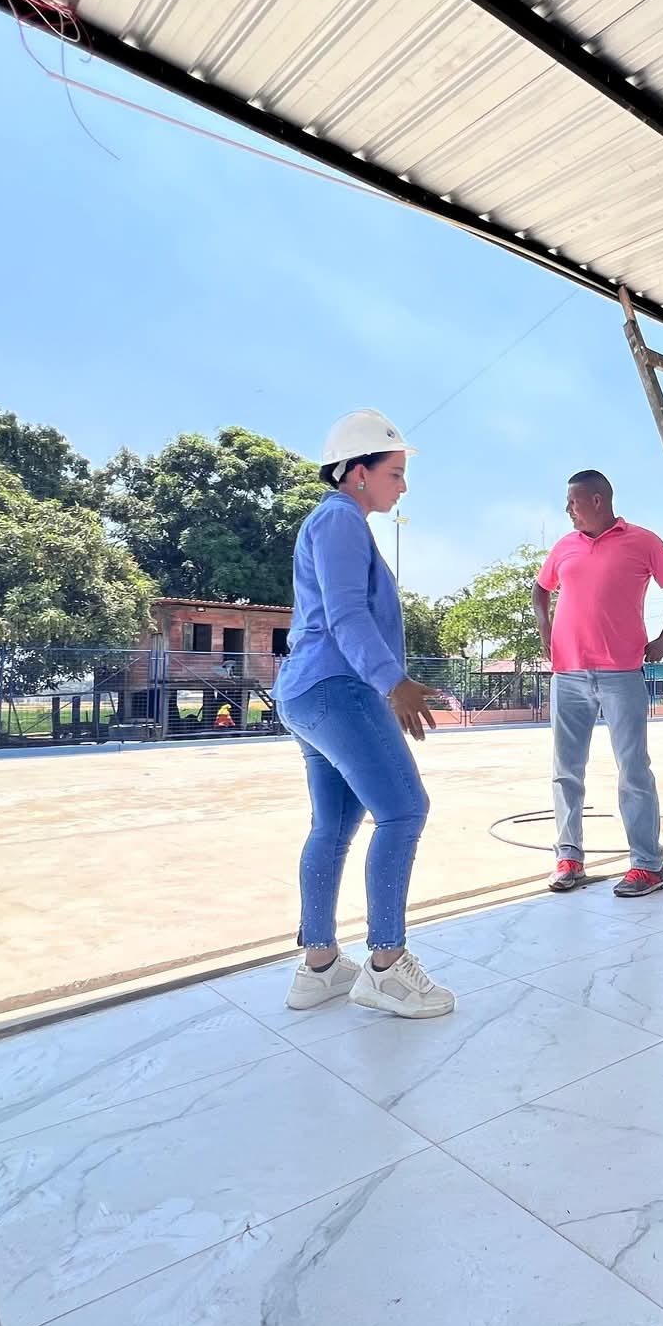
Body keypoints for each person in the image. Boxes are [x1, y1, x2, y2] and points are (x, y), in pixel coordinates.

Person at [272, 408, 454, 1019]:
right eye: (395, 472)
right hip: (338, 688)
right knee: (404, 810)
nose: (403, 485)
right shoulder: (340, 519)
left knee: (334, 825)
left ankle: (320, 968)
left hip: (309, 692)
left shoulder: (333, 521)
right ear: (357, 472)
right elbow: (347, 614)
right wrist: (392, 683)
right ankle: (386, 968)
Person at [532, 470, 663, 897]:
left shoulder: (643, 541)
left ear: (597, 500)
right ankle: (569, 858)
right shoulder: (564, 547)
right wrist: (545, 628)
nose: (567, 509)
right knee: (566, 771)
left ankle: (648, 866)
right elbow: (540, 589)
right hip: (568, 674)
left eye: (573, 501)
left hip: (622, 672)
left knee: (633, 769)